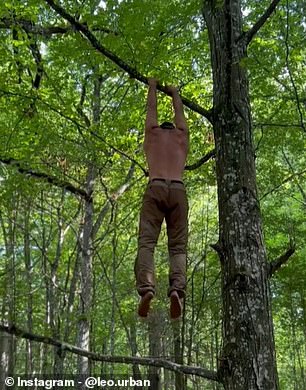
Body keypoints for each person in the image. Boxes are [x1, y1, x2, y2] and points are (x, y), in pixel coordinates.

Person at [134, 78, 189, 319]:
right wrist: (175, 92)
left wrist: (152, 86)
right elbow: (180, 114)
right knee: (177, 246)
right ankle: (176, 289)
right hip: (177, 188)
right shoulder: (182, 137)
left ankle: (146, 288)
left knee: (147, 243)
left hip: (155, 186)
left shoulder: (152, 135)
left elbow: (151, 110)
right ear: (174, 129)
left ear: (159, 127)